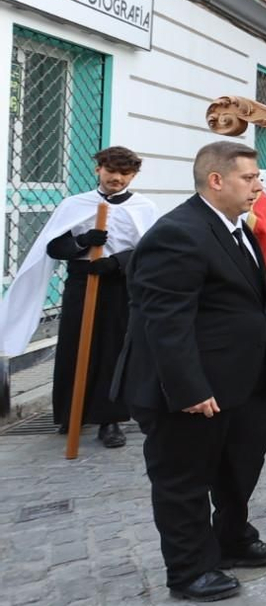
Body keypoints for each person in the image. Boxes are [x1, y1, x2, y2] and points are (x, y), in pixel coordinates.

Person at [111, 142, 266, 601]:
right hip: (191, 389)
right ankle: (189, 571)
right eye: (250, 178)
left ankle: (232, 539)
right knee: (184, 480)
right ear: (216, 180)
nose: (259, 187)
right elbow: (165, 320)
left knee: (238, 468)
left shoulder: (232, 227)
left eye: (259, 178)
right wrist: (188, 388)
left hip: (241, 382)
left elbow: (250, 297)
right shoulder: (178, 234)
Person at [0, 147, 157, 448]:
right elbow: (54, 247)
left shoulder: (144, 208)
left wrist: (117, 262)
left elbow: (150, 252)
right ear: (98, 169)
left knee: (113, 348)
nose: (117, 178)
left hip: (118, 285)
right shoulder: (75, 205)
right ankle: (73, 413)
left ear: (133, 175)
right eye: (111, 171)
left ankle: (109, 420)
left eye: (125, 173)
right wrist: (82, 242)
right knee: (74, 345)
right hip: (82, 282)